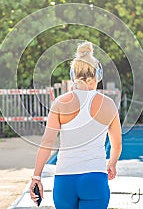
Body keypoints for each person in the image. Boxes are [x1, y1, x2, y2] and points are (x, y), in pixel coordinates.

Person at [29, 41, 122, 209]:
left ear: (73, 75)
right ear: (98, 75)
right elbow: (117, 144)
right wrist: (112, 163)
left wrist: (36, 177)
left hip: (65, 179)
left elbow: (47, 142)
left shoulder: (60, 103)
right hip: (94, 178)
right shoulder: (109, 105)